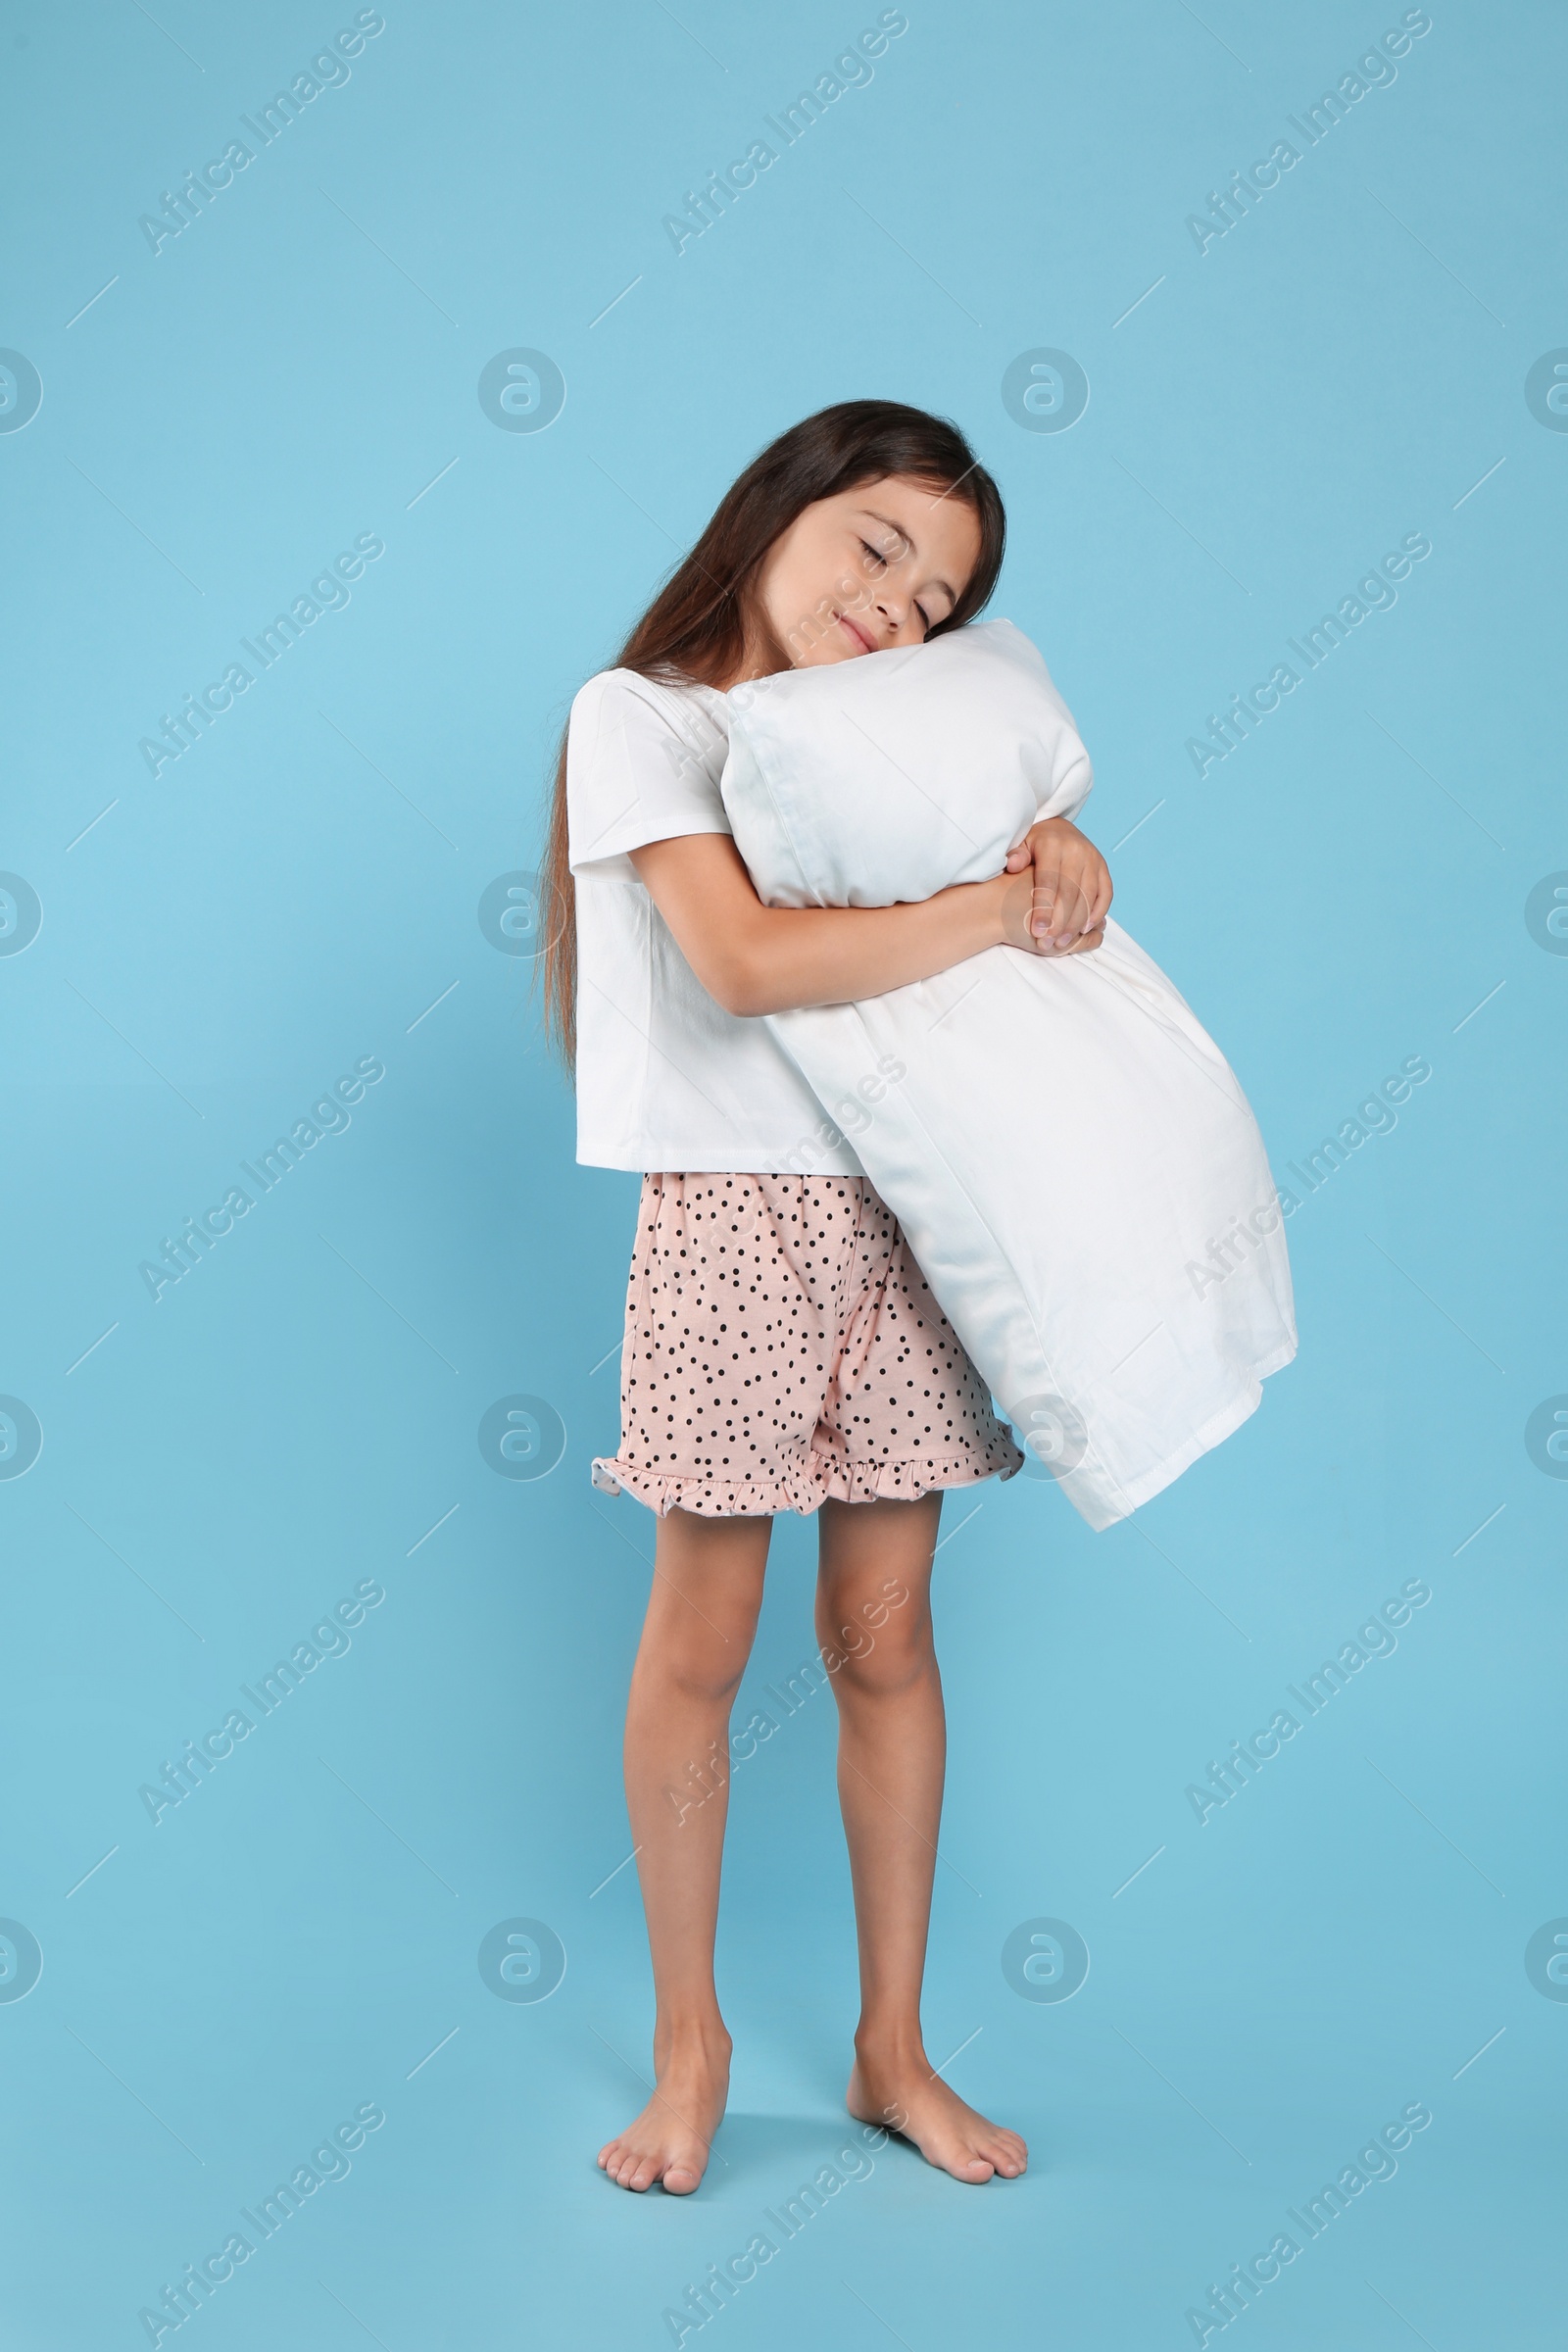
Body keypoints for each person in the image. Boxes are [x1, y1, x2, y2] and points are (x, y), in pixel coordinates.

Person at [538, 401, 1112, 2195]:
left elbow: (1009, 884)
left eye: (939, 598)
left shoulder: (898, 754)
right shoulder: (642, 718)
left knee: (889, 1643)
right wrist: (994, 908)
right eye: (878, 544)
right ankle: (689, 2044)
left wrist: (1070, 867)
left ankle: (890, 2049)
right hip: (730, 1222)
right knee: (702, 1643)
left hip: (911, 1215)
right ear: (779, 506)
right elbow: (750, 959)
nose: (900, 607)